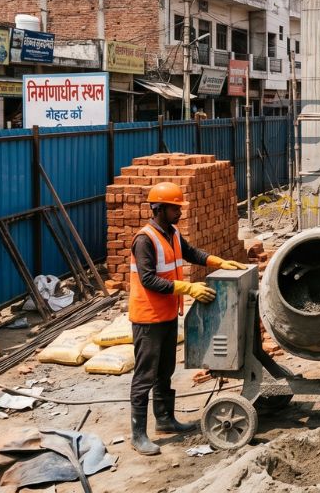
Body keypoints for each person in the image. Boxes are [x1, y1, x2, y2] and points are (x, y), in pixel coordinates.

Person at [128, 182, 247, 455]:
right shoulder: (145, 239)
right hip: (148, 319)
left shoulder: (171, 233)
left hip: (168, 314)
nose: (179, 212)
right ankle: (138, 435)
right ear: (159, 208)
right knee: (144, 376)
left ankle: (165, 420)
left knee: (164, 372)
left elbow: (191, 253)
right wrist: (188, 288)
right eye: (175, 208)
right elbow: (147, 279)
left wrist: (218, 262)